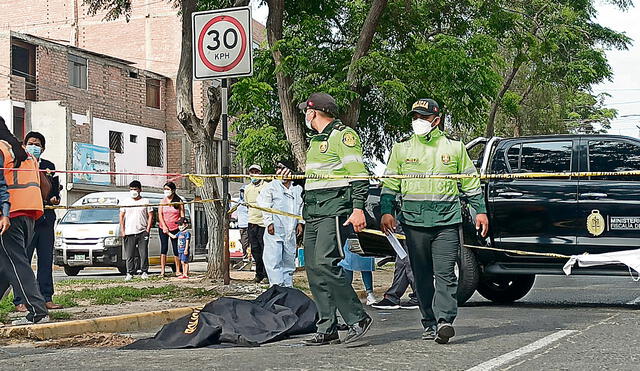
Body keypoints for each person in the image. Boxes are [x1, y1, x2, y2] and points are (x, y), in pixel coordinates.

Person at [380, 98, 489, 344]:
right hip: (414, 222)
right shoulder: (402, 149)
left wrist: (479, 211)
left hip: (446, 222)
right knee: (422, 276)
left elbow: (470, 182)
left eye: (423, 117)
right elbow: (389, 185)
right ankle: (428, 321)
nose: (418, 121)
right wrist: (386, 211)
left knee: (446, 274)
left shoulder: (454, 147)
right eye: (415, 117)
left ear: (436, 120)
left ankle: (445, 321)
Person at [297, 92, 373, 346]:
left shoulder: (343, 136)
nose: (304, 116)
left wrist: (358, 208)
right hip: (314, 211)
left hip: (333, 210)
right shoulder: (316, 141)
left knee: (326, 262)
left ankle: (357, 317)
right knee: (314, 267)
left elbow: (359, 175)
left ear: (313, 112)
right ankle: (327, 326)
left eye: (305, 112)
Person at [0, 117, 49, 325]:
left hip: (9, 214)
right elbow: (44, 187)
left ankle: (38, 311)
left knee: (16, 263)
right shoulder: (24, 152)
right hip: (30, 214)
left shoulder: (1, 149)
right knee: (6, 266)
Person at [12, 132, 63, 312]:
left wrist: (55, 198)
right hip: (26, 218)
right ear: (24, 145)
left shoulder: (49, 166)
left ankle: (46, 297)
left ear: (43, 148)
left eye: (38, 144)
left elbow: (54, 190)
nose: (35, 146)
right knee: (23, 260)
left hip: (46, 219)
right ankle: (20, 300)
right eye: (31, 143)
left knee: (46, 260)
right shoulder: (19, 163)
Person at [257, 167, 304, 287]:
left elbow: (300, 207)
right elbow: (265, 205)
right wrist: (269, 222)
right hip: (275, 229)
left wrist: (300, 222)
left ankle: (288, 288)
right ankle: (277, 288)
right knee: (274, 259)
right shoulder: (271, 187)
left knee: (289, 260)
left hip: (290, 229)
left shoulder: (297, 189)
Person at [372, 222, 420, 310]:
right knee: (402, 262)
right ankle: (393, 296)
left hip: (411, 221)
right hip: (403, 222)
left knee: (409, 261)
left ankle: (420, 295)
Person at [119, 180, 154, 281]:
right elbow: (121, 216)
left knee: (143, 253)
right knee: (129, 254)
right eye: (131, 189)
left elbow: (150, 215)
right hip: (129, 232)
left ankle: (144, 271)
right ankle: (130, 272)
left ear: (140, 190)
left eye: (135, 189)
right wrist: (123, 230)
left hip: (142, 231)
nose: (133, 191)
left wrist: (147, 229)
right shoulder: (125, 202)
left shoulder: (145, 201)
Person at [245, 164, 269, 283]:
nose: (254, 174)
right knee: (255, 250)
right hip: (252, 221)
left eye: (256, 171)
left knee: (265, 249)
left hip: (264, 223)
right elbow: (246, 203)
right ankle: (258, 274)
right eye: (252, 172)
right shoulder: (247, 188)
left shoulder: (267, 186)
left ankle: (266, 274)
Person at [158, 182, 185, 277]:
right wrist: (164, 226)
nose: (166, 191)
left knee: (176, 249)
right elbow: (160, 215)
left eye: (168, 189)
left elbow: (182, 216)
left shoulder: (179, 201)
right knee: (163, 248)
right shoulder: (162, 201)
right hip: (163, 228)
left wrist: (180, 225)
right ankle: (162, 270)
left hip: (175, 228)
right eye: (165, 189)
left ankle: (178, 270)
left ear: (173, 190)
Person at [237, 187, 250, 260]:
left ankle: (248, 256)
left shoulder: (249, 202)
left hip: (249, 224)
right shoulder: (238, 202)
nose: (242, 193)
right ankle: (245, 254)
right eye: (241, 192)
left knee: (247, 242)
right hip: (241, 225)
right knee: (243, 242)